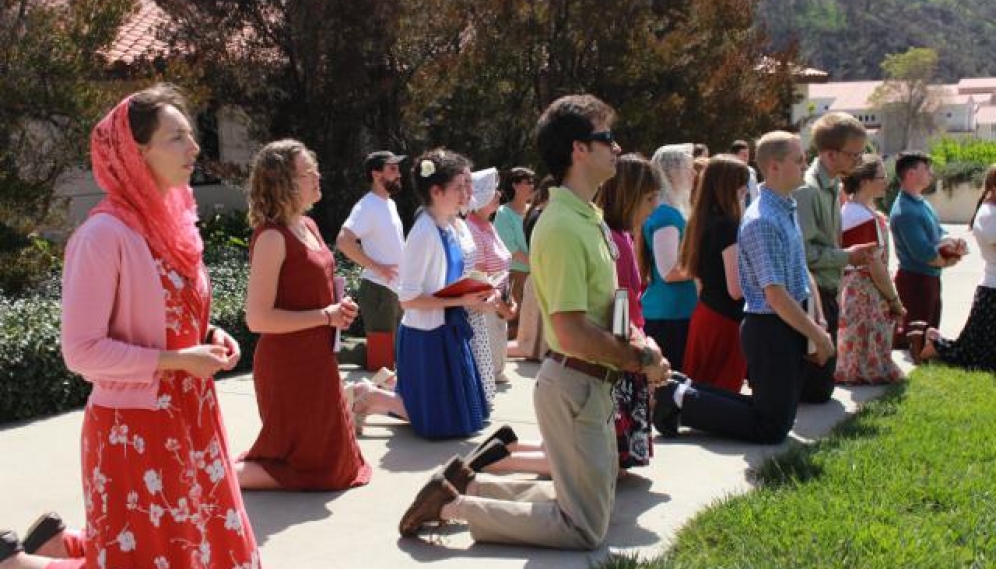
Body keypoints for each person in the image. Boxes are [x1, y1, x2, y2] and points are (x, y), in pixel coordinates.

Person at [0, 84, 261, 568]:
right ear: (135, 152)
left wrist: (207, 337)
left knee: (196, 546)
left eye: (191, 135)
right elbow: (81, 351)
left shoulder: (176, 226)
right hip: (134, 428)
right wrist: (177, 360)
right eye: (177, 137)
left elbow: (172, 316)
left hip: (192, 415)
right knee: (147, 554)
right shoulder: (103, 235)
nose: (195, 147)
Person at [397, 94, 668, 549]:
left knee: (586, 508)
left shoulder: (592, 218)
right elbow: (571, 330)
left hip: (590, 384)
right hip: (575, 386)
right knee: (583, 528)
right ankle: (452, 506)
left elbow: (615, 300)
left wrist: (639, 340)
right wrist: (640, 358)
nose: (617, 148)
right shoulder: (563, 225)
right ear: (579, 150)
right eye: (607, 138)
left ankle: (469, 487)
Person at [654, 131, 835, 444]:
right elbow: (774, 294)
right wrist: (816, 333)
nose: (806, 164)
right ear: (775, 166)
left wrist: (816, 322)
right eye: (799, 159)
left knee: (774, 417)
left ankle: (680, 394)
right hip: (769, 326)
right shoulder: (763, 219)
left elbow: (801, 271)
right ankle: (678, 397)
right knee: (772, 427)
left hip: (783, 324)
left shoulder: (783, 209)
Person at [234, 139, 371, 491]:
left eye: (315, 169)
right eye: (307, 172)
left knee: (337, 462)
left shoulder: (308, 226)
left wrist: (338, 309)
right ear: (283, 182)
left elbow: (313, 289)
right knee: (320, 468)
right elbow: (257, 319)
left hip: (319, 358)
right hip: (289, 366)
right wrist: (326, 315)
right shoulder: (271, 238)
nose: (317, 177)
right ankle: (216, 478)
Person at [350, 149, 492, 439]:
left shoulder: (450, 227)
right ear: (436, 191)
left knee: (454, 419)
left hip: (446, 329)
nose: (467, 194)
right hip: (426, 335)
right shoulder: (424, 233)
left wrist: (476, 292)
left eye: (467, 186)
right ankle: (367, 396)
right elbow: (408, 299)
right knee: (441, 423)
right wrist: (461, 300)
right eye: (459, 187)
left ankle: (378, 391)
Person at [793, 112, 877, 403]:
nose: (859, 160)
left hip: (829, 290)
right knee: (816, 391)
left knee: (822, 388)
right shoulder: (808, 190)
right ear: (830, 154)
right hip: (814, 297)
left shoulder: (832, 185)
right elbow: (803, 254)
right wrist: (847, 257)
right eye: (854, 154)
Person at [595, 153, 662, 469]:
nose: (654, 206)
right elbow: (618, 308)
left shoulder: (622, 236)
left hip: (628, 346)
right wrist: (643, 354)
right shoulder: (617, 242)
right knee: (609, 462)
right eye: (649, 198)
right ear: (630, 197)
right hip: (623, 353)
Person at [680, 155, 750, 392]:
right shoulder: (728, 226)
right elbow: (736, 289)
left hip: (705, 314)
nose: (744, 193)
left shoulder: (699, 221)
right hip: (725, 322)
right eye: (741, 186)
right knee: (720, 398)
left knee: (698, 395)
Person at [835, 154, 905, 384]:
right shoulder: (857, 215)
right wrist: (894, 299)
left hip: (866, 289)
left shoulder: (858, 210)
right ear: (864, 181)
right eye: (881, 177)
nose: (886, 181)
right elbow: (873, 265)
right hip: (865, 290)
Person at [916, 164, 995, 370]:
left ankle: (935, 342)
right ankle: (935, 345)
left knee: (976, 351)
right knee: (978, 357)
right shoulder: (988, 216)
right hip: (992, 292)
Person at [336, 150, 407, 371]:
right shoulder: (367, 205)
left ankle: (337, 348)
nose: (399, 174)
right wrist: (378, 267)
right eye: (393, 169)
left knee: (394, 355)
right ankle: (331, 351)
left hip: (394, 289)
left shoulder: (389, 204)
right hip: (378, 291)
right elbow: (343, 241)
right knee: (382, 362)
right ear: (376, 174)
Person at [890, 151, 965, 355]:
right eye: (926, 169)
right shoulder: (905, 210)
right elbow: (923, 252)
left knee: (928, 335)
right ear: (911, 173)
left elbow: (939, 233)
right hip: (916, 282)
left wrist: (953, 244)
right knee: (914, 341)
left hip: (929, 278)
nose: (931, 173)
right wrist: (950, 259)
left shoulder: (921, 202)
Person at [642, 143, 698, 372]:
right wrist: (705, 269)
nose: (694, 174)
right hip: (670, 314)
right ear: (673, 172)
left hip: (673, 311)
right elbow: (669, 271)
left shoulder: (669, 210)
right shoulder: (667, 214)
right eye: (689, 168)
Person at [465, 167, 516, 402]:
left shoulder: (488, 225)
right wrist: (503, 307)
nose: (498, 195)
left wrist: (508, 300)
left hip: (497, 304)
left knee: (494, 370)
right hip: (486, 307)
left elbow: (501, 268)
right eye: (492, 191)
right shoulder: (472, 229)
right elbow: (479, 276)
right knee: (486, 372)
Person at [507, 177, 552, 361]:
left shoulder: (536, 212)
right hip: (539, 278)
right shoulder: (539, 215)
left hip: (539, 278)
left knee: (532, 343)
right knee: (528, 344)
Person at [494, 167, 535, 334]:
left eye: (533, 182)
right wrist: (537, 266)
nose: (532, 186)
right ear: (515, 185)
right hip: (515, 274)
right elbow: (513, 250)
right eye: (527, 182)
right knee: (514, 323)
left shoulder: (534, 210)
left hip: (535, 274)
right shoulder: (503, 213)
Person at [731, 139, 759, 205]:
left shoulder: (751, 171)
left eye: (747, 155)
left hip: (751, 212)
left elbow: (755, 192)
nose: (746, 158)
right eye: (744, 155)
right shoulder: (728, 173)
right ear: (734, 155)